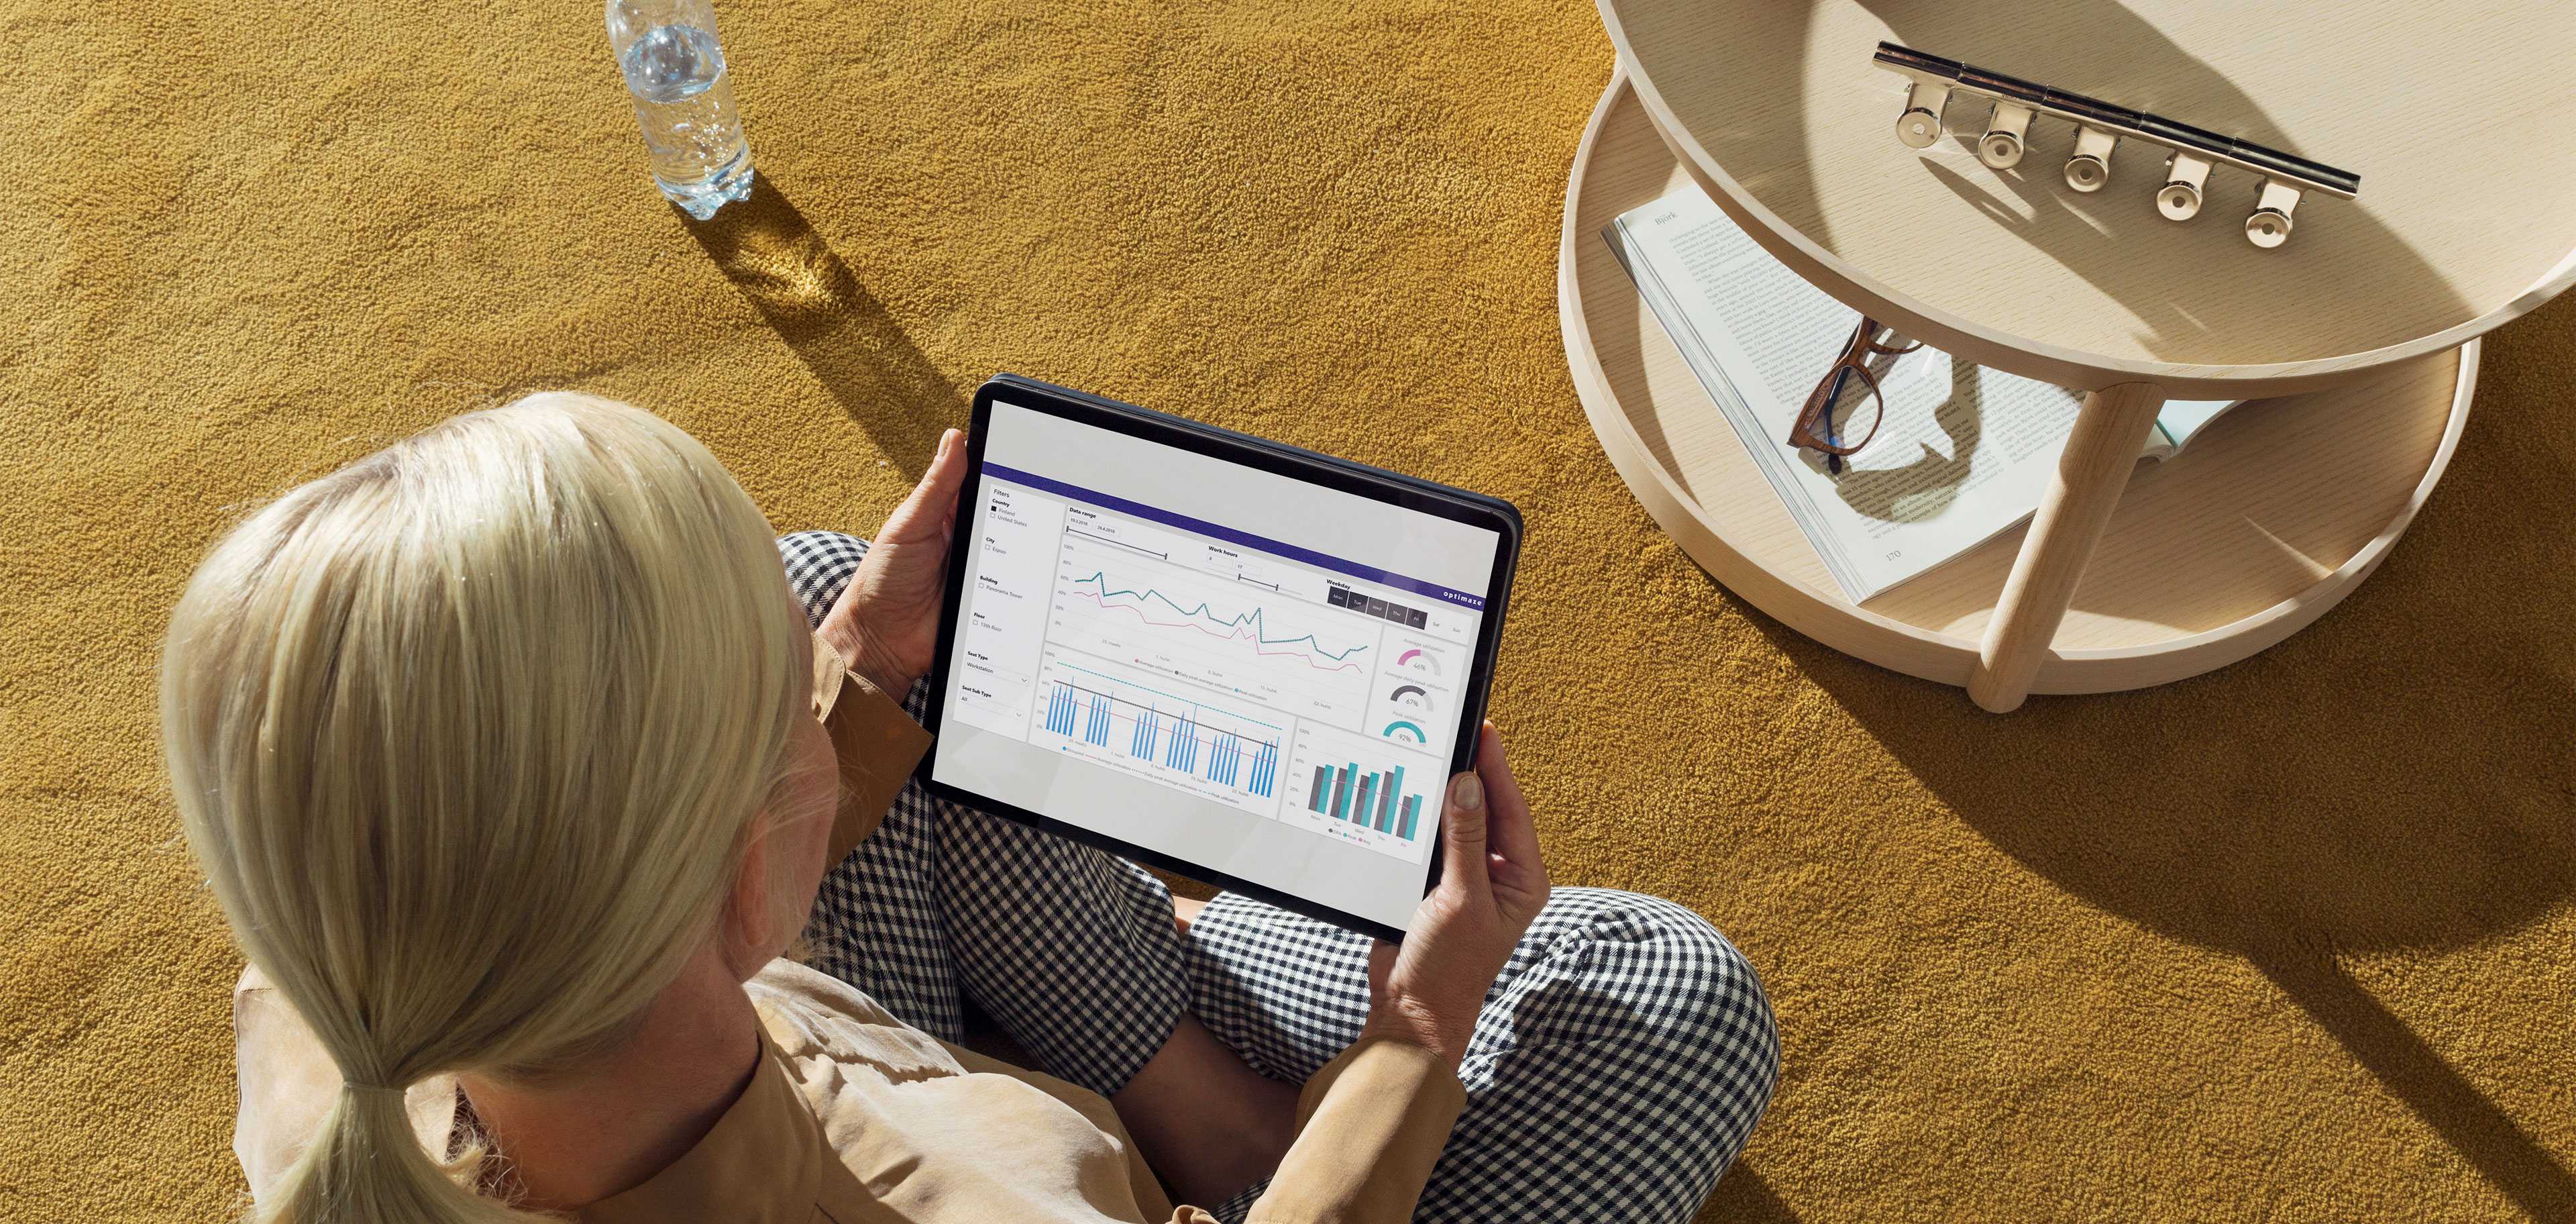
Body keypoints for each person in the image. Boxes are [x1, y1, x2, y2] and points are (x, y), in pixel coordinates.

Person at [165, 393, 1777, 1224]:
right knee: (1670, 994)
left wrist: (844, 679)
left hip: (842, 1041)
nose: (801, 698)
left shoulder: (320, 1004)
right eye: (769, 721)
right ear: (749, 881)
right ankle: (1231, 1115)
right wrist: (1417, 1035)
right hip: (1081, 1156)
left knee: (850, 609)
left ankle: (1184, 1048)